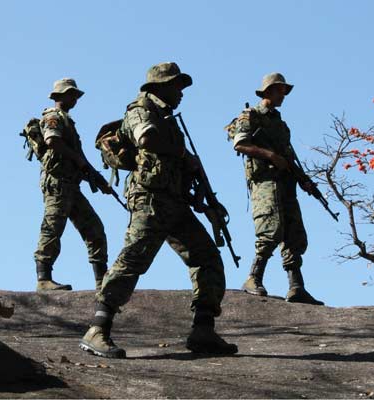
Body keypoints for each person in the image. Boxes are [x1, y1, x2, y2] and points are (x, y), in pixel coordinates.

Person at [79, 62, 238, 358]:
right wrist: (183, 154)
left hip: (175, 203)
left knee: (207, 258)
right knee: (133, 259)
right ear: (160, 86)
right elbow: (146, 138)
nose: (181, 93)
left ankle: (203, 330)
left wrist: (206, 196)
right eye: (177, 85)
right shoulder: (140, 110)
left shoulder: (168, 118)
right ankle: (98, 329)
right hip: (150, 200)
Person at [229, 73, 324, 305]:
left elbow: (289, 157)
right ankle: (253, 278)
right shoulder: (250, 116)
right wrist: (269, 155)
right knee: (270, 229)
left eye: (284, 91)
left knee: (294, 235)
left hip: (285, 183)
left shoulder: (280, 125)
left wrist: (304, 180)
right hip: (265, 182)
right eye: (280, 90)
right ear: (269, 91)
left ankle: (296, 286)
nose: (283, 95)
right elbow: (239, 143)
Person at [33, 78, 112, 292]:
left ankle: (101, 282)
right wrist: (79, 162)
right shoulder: (52, 116)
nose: (75, 99)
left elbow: (80, 158)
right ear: (60, 96)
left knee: (94, 228)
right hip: (57, 183)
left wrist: (95, 177)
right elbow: (52, 141)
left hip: (71, 186)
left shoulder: (68, 121)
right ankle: (43, 279)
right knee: (53, 227)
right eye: (71, 94)